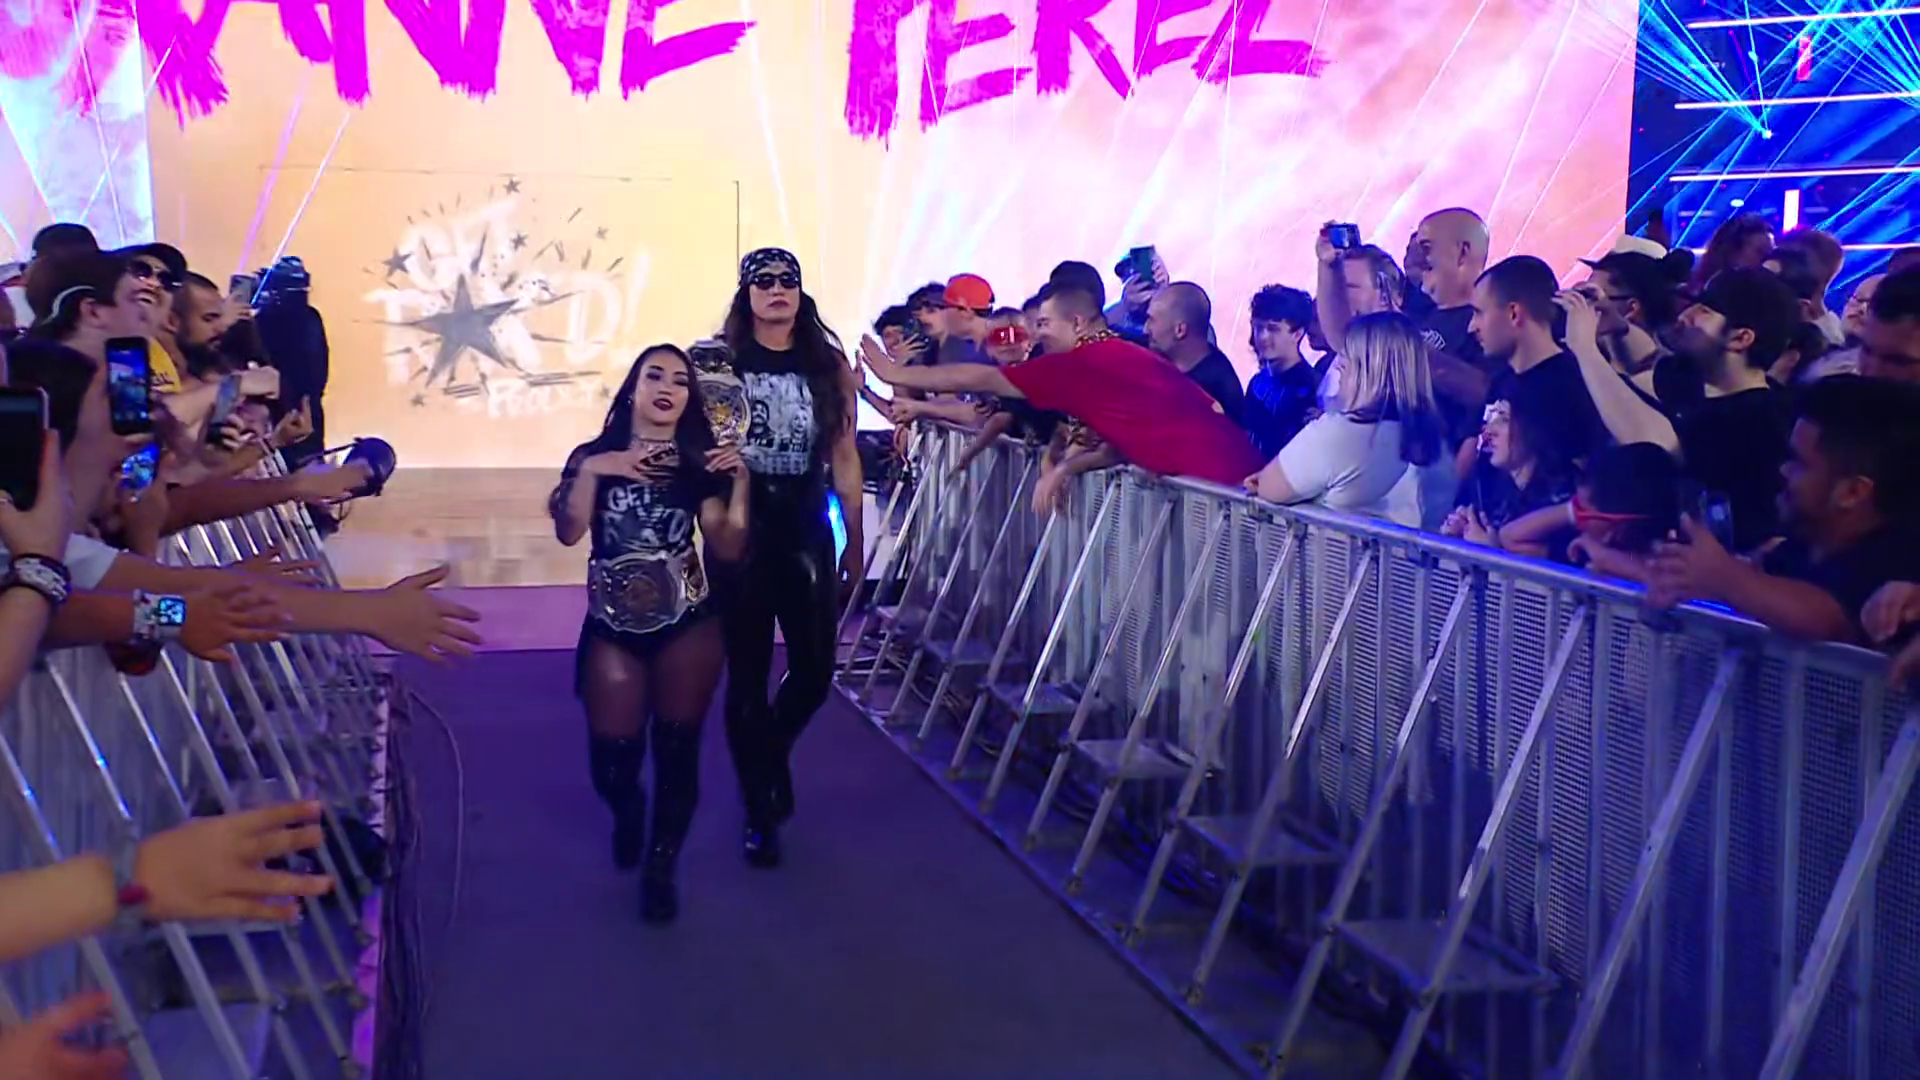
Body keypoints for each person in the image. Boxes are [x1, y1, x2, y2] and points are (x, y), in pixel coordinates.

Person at [550, 345, 749, 922]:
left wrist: (740, 484)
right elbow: (569, 532)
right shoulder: (593, 456)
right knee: (612, 763)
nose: (667, 388)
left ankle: (661, 867)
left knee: (677, 749)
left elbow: (727, 547)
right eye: (654, 376)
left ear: (690, 397)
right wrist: (595, 470)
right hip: (613, 624)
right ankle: (628, 809)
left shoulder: (698, 464)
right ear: (632, 388)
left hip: (688, 621)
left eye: (680, 381)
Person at [718, 248, 863, 869]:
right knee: (748, 673)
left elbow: (845, 455)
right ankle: (760, 807)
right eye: (765, 281)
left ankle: (768, 756)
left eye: (788, 281)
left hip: (805, 523)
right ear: (746, 292)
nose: (778, 290)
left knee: (814, 670)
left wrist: (855, 540)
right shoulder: (722, 363)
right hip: (744, 527)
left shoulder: (825, 364)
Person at [857, 282, 1265, 497]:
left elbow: (980, 379)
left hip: (1231, 499)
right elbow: (1124, 440)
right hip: (1237, 490)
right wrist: (1065, 468)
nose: (1036, 335)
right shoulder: (1123, 353)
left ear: (1077, 323)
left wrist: (894, 374)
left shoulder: (1086, 362)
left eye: (1045, 324)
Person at [1246, 311, 1444, 527]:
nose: (1339, 364)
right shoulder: (1433, 440)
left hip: (1329, 548)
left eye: (1349, 355)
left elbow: (1269, 489)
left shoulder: (1337, 434)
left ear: (1371, 368)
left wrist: (1265, 480)